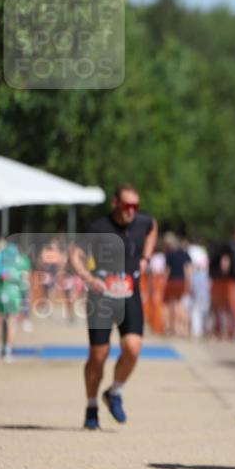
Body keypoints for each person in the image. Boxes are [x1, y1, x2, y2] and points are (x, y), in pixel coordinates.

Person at [69, 184, 158, 430]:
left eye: (135, 206)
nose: (131, 211)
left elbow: (153, 228)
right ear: (115, 203)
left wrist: (146, 258)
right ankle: (91, 405)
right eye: (127, 205)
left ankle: (115, 391)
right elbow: (75, 254)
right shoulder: (99, 228)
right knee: (99, 355)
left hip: (129, 294)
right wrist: (89, 279)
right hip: (102, 297)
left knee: (133, 348)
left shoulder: (142, 222)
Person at [162, 233, 192, 336]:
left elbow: (166, 270)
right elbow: (188, 270)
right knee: (180, 304)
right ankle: (181, 328)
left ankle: (173, 327)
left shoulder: (169, 255)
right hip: (181, 281)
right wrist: (189, 283)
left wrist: (164, 282)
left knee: (172, 305)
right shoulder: (184, 254)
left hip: (172, 281)